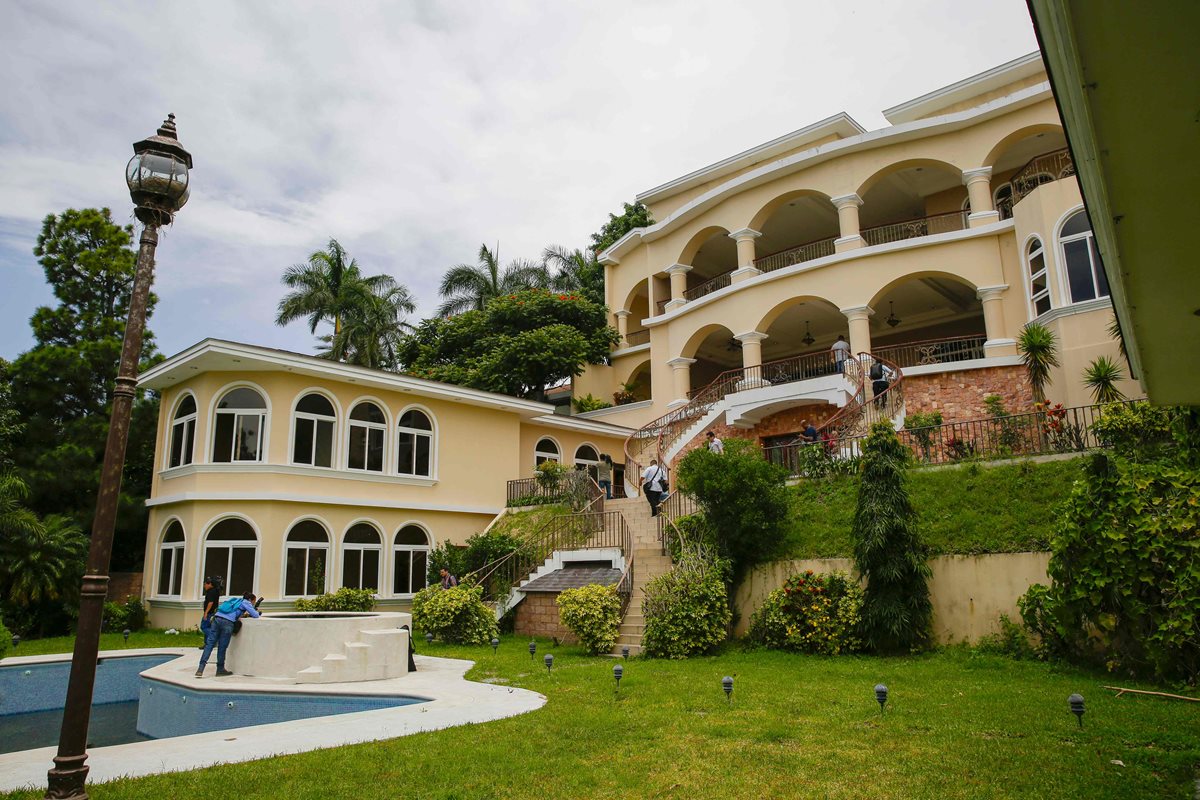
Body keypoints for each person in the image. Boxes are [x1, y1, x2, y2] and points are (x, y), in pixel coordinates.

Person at [196, 591, 260, 678]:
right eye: (253, 601)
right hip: (227, 623)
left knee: (209, 644)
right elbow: (256, 615)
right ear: (250, 599)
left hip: (217, 618)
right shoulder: (246, 602)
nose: (253, 603)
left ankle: (200, 669)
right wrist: (255, 611)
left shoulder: (235, 600)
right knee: (222, 647)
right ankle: (220, 669)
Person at [199, 576, 221, 649]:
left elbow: (210, 602)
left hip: (209, 613)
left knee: (204, 627)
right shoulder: (216, 591)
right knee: (209, 627)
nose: (204, 586)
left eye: (205, 584)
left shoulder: (211, 592)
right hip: (213, 612)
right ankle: (207, 643)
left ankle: (214, 638)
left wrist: (206, 612)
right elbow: (216, 602)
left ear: (210, 584)